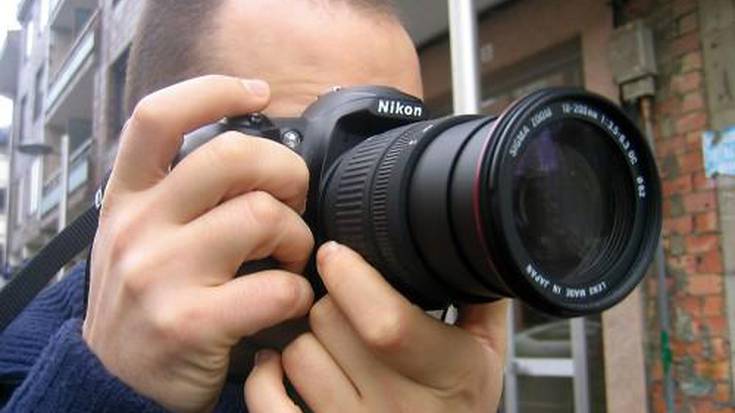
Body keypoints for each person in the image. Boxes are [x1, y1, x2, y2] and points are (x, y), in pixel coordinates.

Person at [0, 0, 508, 411]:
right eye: (310, 147)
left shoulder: (437, 371)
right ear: (161, 161)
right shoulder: (21, 370)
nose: (381, 196)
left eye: (398, 148)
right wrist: (110, 387)